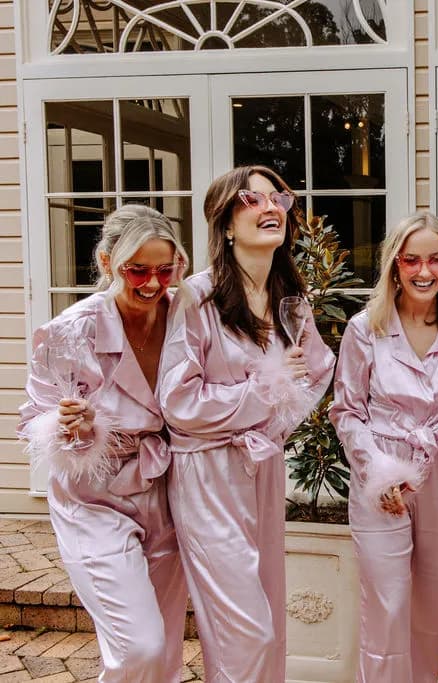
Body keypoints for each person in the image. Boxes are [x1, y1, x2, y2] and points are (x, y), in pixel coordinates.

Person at [159, 165, 335, 681]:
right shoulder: (197, 297)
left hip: (263, 463)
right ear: (226, 224)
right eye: (250, 200)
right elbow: (178, 400)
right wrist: (261, 393)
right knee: (245, 629)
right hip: (208, 475)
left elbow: (317, 370)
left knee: (270, 618)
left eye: (276, 198)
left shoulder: (290, 300)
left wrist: (275, 422)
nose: (269, 208)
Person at [20, 205, 189, 682]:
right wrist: (71, 426)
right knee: (140, 646)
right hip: (94, 501)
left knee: (166, 651)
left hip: (167, 493)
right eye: (138, 270)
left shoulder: (186, 319)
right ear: (106, 263)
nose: (153, 283)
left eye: (165, 269)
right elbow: (37, 418)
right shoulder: (69, 332)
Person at [330, 211, 438, 682]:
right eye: (412, 259)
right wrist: (378, 471)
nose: (424, 271)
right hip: (381, 473)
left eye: (435, 259)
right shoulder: (364, 328)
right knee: (387, 604)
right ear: (395, 264)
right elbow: (346, 410)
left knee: (431, 601)